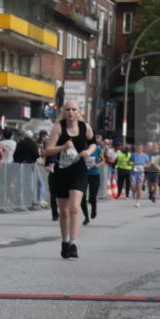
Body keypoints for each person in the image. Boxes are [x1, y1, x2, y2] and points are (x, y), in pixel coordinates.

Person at [44, 100, 95, 259]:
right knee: (64, 211)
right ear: (64, 112)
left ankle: (73, 243)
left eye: (74, 109)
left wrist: (88, 151)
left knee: (74, 207)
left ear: (79, 111)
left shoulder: (84, 127)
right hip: (62, 171)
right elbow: (47, 151)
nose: (71, 112)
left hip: (79, 171)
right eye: (68, 109)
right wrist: (62, 147)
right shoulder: (58, 127)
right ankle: (65, 241)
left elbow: (93, 143)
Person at [81, 139, 103, 224]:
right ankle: (86, 217)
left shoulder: (96, 148)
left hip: (94, 174)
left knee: (92, 197)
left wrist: (97, 165)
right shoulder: (80, 148)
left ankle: (94, 208)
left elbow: (103, 160)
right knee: (82, 197)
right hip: (82, 175)